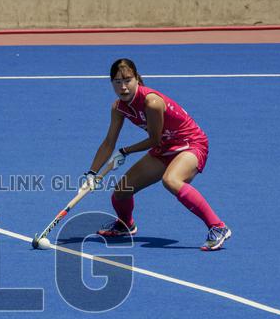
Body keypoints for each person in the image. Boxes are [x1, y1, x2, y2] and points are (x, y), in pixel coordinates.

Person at [85, 58, 231, 251]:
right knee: (121, 192)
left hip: (190, 144)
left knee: (171, 180)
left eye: (127, 80)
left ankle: (218, 227)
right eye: (117, 82)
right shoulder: (118, 107)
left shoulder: (151, 102)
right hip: (165, 147)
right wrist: (92, 174)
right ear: (111, 83)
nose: (123, 87)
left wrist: (125, 151)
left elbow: (154, 139)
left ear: (137, 79)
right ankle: (125, 225)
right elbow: (108, 142)